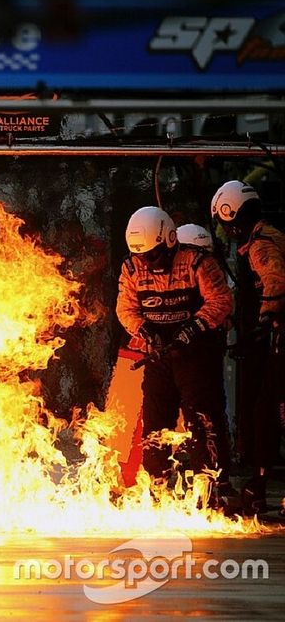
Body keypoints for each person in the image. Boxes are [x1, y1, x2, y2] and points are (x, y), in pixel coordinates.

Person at [116, 206, 235, 505]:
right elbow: (125, 309)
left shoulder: (197, 263)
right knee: (155, 424)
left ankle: (209, 492)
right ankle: (157, 490)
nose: (148, 262)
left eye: (154, 254)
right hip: (158, 358)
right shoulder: (131, 269)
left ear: (169, 240)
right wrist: (146, 333)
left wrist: (192, 329)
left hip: (195, 355)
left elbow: (221, 300)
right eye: (142, 256)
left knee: (201, 420)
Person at [210, 179, 285, 513]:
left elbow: (276, 282)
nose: (224, 230)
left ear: (233, 216)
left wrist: (266, 319)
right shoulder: (268, 237)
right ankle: (259, 482)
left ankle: (259, 484)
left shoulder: (261, 246)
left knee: (272, 410)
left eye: (224, 223)